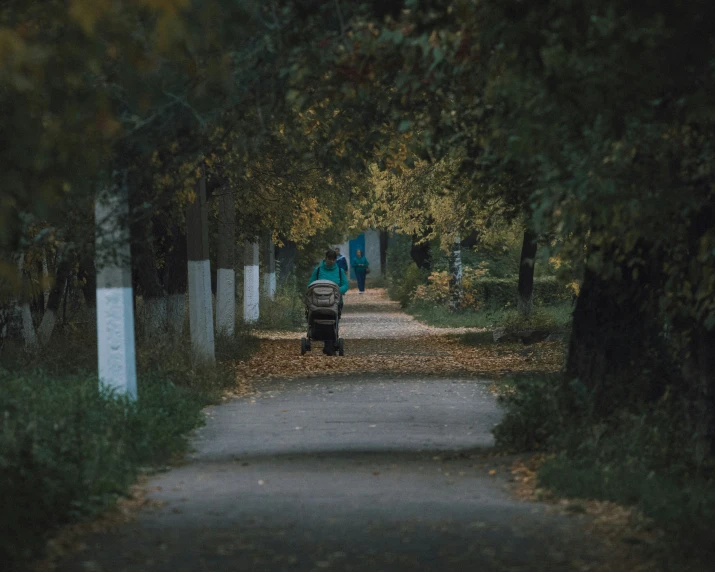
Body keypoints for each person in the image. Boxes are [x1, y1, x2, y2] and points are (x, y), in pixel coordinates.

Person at [308, 249, 349, 353]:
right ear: (325, 258)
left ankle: (330, 344)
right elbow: (310, 284)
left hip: (334, 301)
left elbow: (345, 285)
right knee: (319, 318)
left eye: (333, 259)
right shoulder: (318, 270)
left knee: (333, 319)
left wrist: (337, 291)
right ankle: (329, 344)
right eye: (329, 259)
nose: (331, 261)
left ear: (335, 260)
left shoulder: (340, 271)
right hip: (319, 300)